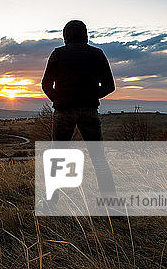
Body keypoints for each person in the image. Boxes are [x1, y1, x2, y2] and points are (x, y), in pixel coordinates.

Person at [41, 19, 117, 202]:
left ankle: (51, 204)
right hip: (89, 111)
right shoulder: (97, 54)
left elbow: (45, 84)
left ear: (65, 35)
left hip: (63, 111)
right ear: (85, 34)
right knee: (99, 159)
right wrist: (91, 97)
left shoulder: (57, 54)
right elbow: (110, 86)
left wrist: (58, 99)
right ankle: (112, 205)